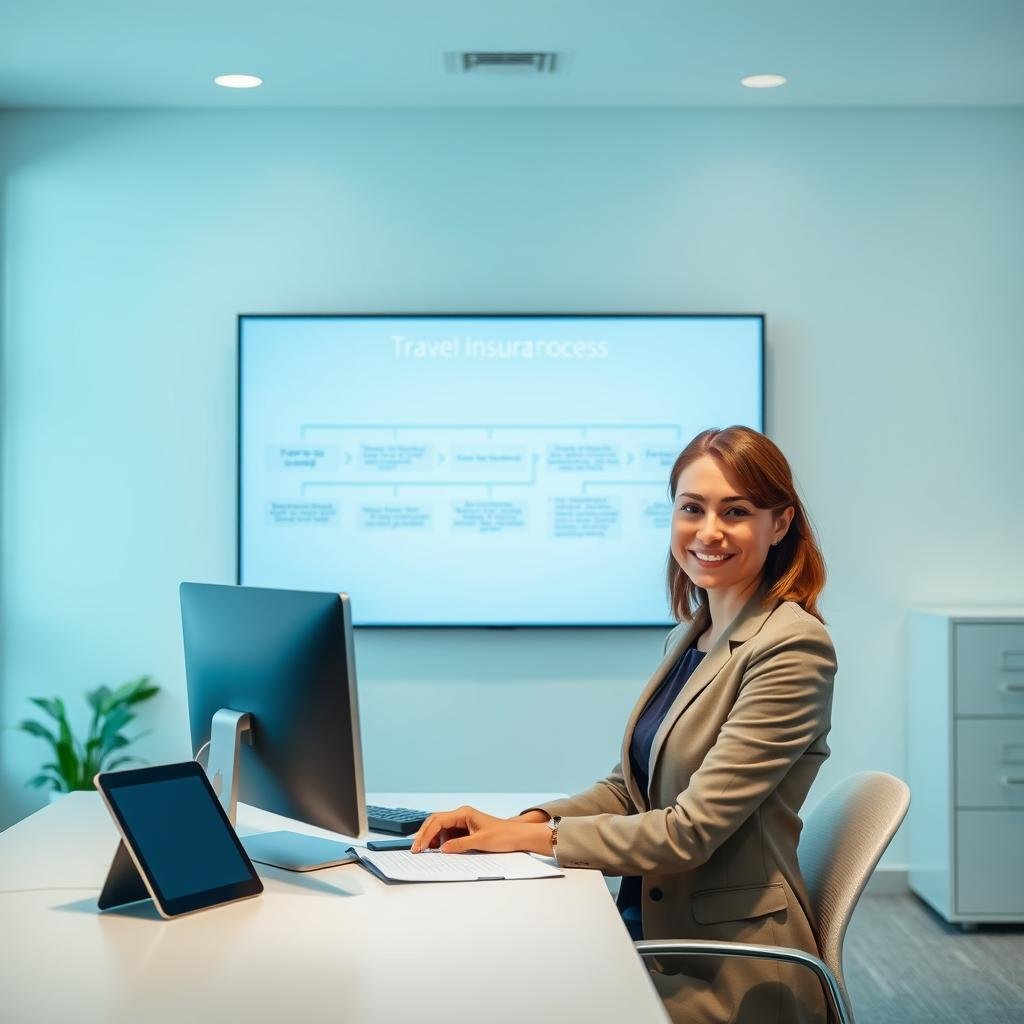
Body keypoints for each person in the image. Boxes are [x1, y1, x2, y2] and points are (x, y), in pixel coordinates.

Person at [411, 425, 836, 1024]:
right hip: (648, 933)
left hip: (724, 969)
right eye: (692, 508)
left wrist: (540, 842)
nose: (708, 531)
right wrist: (523, 821)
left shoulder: (791, 647)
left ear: (780, 523)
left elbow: (688, 832)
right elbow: (627, 789)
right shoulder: (693, 633)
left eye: (735, 511)